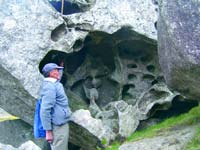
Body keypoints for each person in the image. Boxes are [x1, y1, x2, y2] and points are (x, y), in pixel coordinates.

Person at [40, 63, 71, 150]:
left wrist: (61, 65)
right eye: (56, 70)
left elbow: (58, 77)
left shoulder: (54, 82)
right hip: (58, 126)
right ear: (51, 73)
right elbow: (45, 110)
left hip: (61, 123)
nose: (58, 72)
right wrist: (48, 131)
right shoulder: (50, 87)